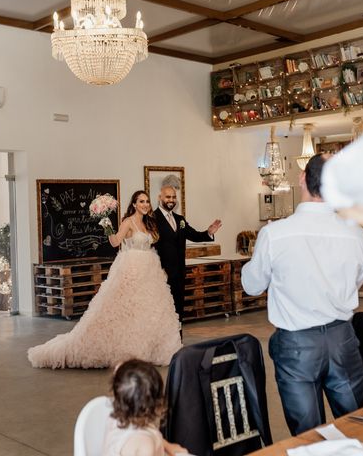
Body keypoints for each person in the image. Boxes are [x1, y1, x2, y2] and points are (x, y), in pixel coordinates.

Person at [241, 153, 363, 436]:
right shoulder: (357, 234)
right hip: (343, 339)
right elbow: (357, 281)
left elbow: (251, 286)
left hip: (297, 345)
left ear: (301, 178)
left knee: (308, 436)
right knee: (357, 428)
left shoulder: (274, 234)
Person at [28, 190, 182, 369]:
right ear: (134, 204)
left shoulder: (148, 223)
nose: (145, 205)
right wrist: (107, 225)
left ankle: (150, 348)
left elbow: (154, 242)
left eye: (147, 201)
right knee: (125, 310)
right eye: (141, 201)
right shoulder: (128, 222)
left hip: (150, 270)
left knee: (148, 311)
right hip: (132, 269)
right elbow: (115, 242)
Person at [153, 185, 221, 322]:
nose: (171, 200)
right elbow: (150, 247)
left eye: (173, 197)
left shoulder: (180, 219)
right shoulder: (152, 219)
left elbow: (194, 235)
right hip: (161, 273)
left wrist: (208, 233)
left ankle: (178, 339)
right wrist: (157, 269)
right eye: (167, 196)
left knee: (178, 308)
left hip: (179, 272)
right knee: (162, 310)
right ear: (160, 197)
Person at [103, 359, 188, 456]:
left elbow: (153, 434)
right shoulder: (145, 445)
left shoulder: (118, 419)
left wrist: (168, 446)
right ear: (157, 404)